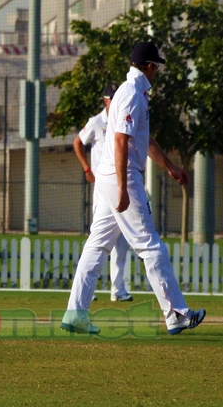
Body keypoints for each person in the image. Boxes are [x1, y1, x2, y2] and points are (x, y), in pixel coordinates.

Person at [62, 41, 205, 336]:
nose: (157, 73)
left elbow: (145, 140)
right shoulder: (131, 94)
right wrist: (124, 188)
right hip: (120, 175)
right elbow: (120, 141)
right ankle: (176, 313)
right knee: (150, 245)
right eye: (157, 68)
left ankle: (75, 313)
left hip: (109, 176)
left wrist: (170, 167)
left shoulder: (132, 93)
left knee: (97, 244)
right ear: (150, 67)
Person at [72, 82, 133, 302]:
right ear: (105, 100)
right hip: (102, 190)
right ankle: (90, 290)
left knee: (121, 242)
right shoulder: (97, 122)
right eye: (110, 99)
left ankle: (118, 290)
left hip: (121, 186)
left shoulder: (123, 119)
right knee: (98, 241)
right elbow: (78, 142)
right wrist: (87, 168)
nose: (114, 102)